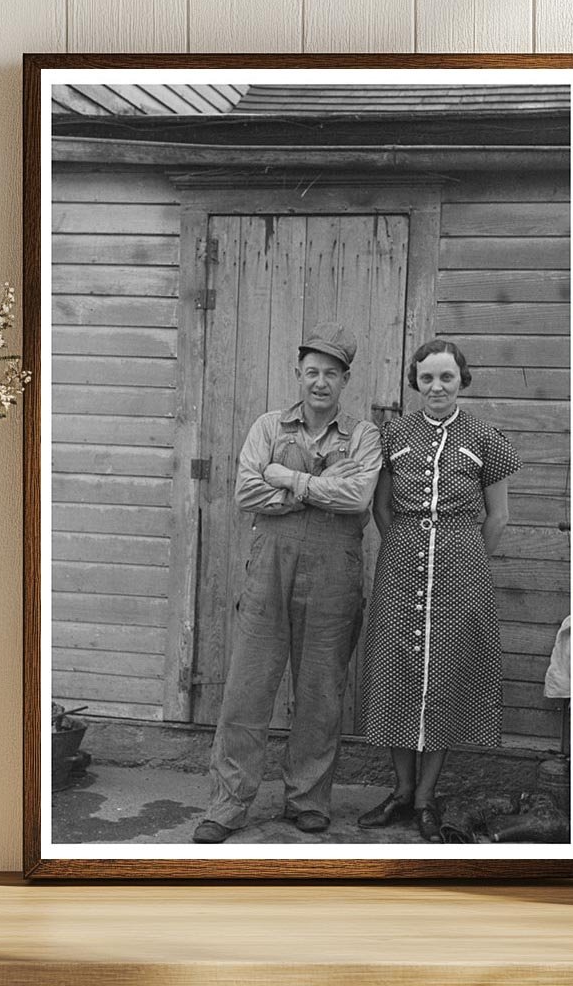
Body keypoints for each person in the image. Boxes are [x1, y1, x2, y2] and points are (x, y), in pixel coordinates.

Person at [193, 321, 383, 843]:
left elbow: (358, 500)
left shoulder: (363, 436)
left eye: (331, 374)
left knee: (321, 692)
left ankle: (308, 799)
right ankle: (228, 805)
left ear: (345, 381)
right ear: (298, 376)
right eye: (311, 373)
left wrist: (290, 479)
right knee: (247, 691)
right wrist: (315, 490)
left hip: (334, 576)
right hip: (269, 571)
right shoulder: (269, 427)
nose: (320, 383)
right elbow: (246, 493)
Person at [357, 339, 520, 842]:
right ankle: (401, 792)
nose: (436, 387)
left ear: (462, 380)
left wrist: (463, 558)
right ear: (416, 382)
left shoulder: (484, 438)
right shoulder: (394, 435)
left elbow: (499, 517)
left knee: (447, 675)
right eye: (427, 378)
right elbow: (381, 508)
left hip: (461, 568)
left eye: (447, 377)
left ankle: (427, 799)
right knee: (396, 670)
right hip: (401, 562)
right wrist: (408, 546)